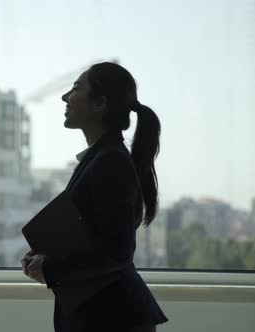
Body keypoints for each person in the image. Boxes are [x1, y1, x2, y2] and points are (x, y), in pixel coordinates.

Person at [21, 62, 168, 331]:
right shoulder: (102, 158)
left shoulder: (110, 162)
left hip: (111, 317)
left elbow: (117, 252)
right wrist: (45, 255)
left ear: (100, 104)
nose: (66, 97)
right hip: (103, 313)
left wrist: (52, 267)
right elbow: (93, 235)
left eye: (76, 89)